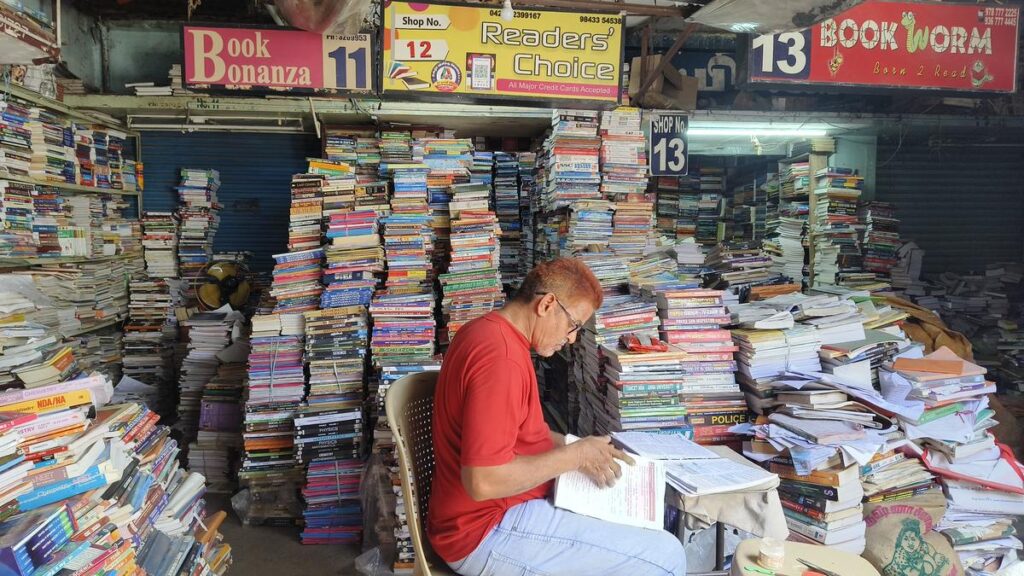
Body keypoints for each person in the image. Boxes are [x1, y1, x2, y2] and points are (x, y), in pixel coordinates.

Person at [428, 258, 686, 576]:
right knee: (667, 555)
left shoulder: (487, 331)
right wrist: (574, 456)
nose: (573, 338)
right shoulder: (502, 360)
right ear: (547, 304)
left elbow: (519, 433)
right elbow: (483, 480)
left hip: (488, 513)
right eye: (573, 325)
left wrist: (576, 445)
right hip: (483, 530)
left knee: (643, 522)